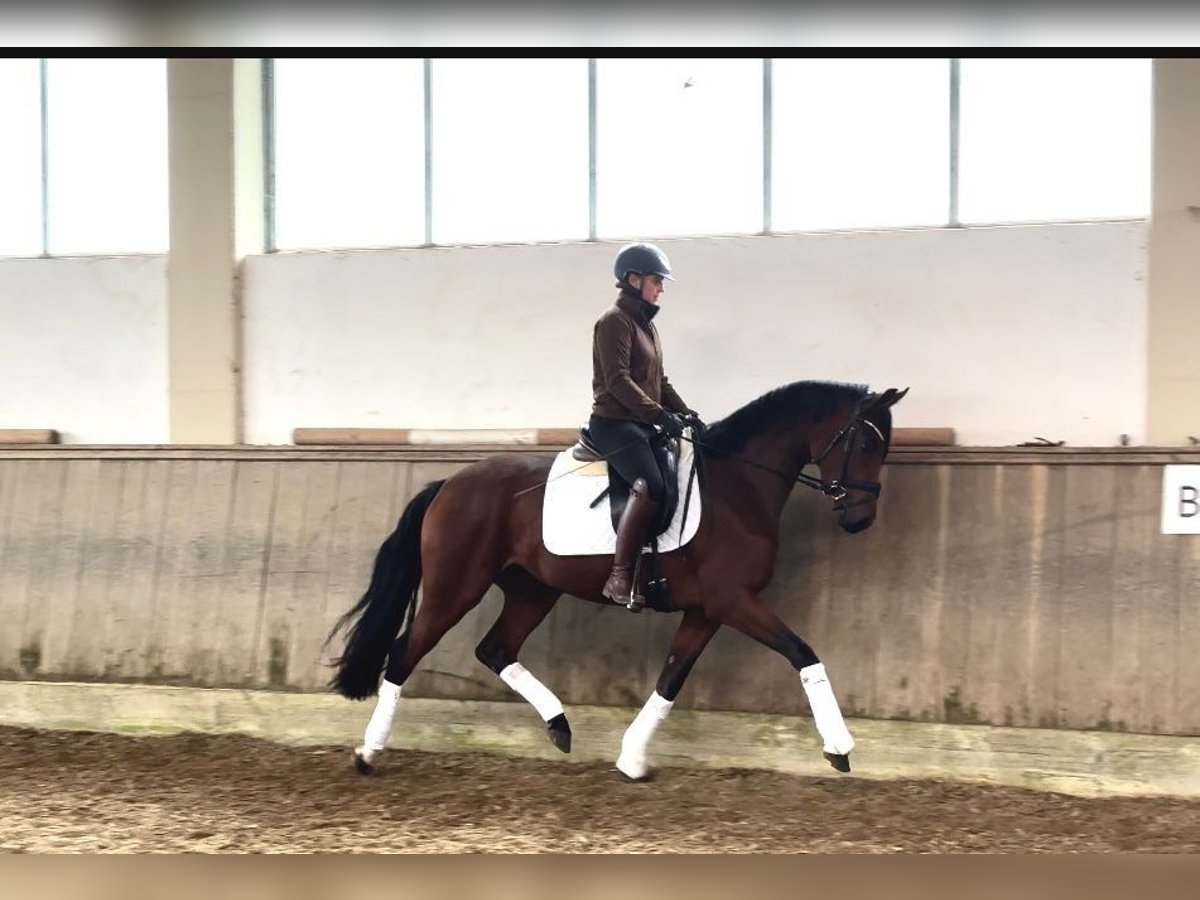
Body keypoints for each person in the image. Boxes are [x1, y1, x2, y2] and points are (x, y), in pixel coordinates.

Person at [589, 242, 703, 609]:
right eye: (656, 280)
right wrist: (658, 415)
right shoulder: (613, 322)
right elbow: (618, 380)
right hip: (614, 423)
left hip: (641, 422)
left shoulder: (647, 328)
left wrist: (685, 413)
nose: (661, 288)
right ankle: (620, 575)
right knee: (650, 484)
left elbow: (659, 381)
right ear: (633, 279)